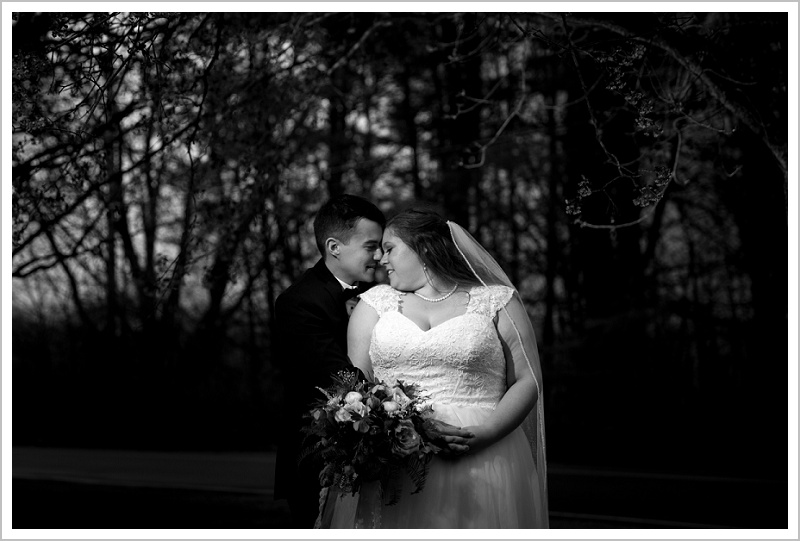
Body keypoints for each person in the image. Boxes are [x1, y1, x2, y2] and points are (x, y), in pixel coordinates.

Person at [325, 207, 549, 528]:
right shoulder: (374, 304)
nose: (381, 260)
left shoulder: (496, 301)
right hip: (400, 463)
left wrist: (483, 435)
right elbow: (357, 389)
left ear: (424, 247)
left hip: (486, 458)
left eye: (390, 249)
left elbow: (528, 380)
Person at [273, 196, 473, 528]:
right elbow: (341, 383)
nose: (380, 256)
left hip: (382, 454)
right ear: (334, 247)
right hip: (323, 458)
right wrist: (416, 420)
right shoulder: (298, 303)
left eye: (383, 247)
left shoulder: (384, 295)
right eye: (370, 247)